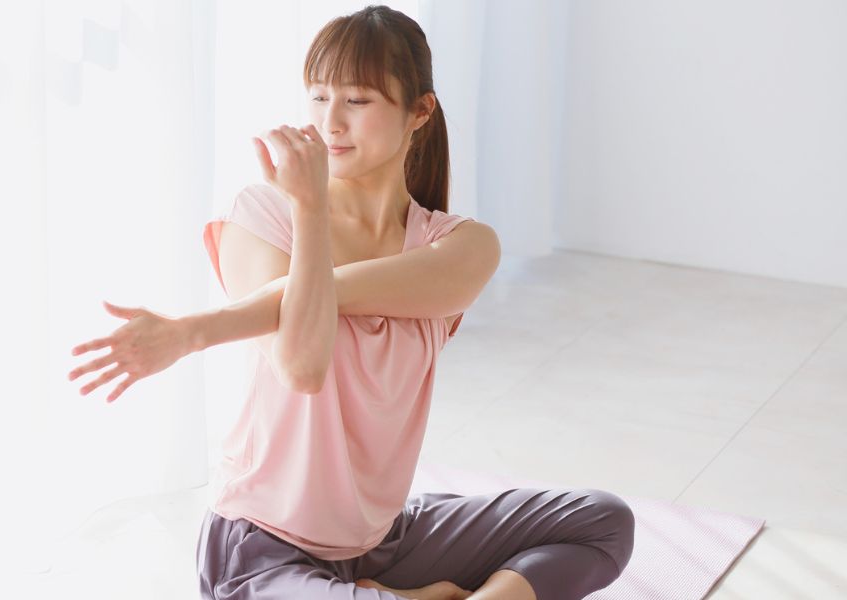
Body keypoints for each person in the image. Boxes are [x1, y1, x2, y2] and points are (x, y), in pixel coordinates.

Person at [68, 5, 635, 599]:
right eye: (318, 97)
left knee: (602, 521)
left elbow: (329, 293)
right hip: (262, 551)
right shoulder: (261, 216)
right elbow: (301, 366)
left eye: (358, 101)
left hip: (386, 543)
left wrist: (194, 331)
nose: (330, 122)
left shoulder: (459, 245)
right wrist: (309, 208)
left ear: (420, 111)